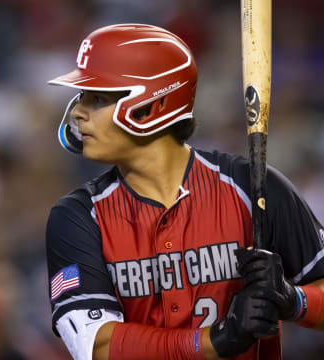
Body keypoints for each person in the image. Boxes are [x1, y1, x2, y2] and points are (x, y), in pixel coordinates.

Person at [45, 24, 324, 360]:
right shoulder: (77, 217)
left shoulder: (255, 188)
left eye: (99, 98)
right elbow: (94, 345)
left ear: (151, 106)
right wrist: (217, 340)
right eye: (82, 97)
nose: (77, 112)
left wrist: (293, 300)